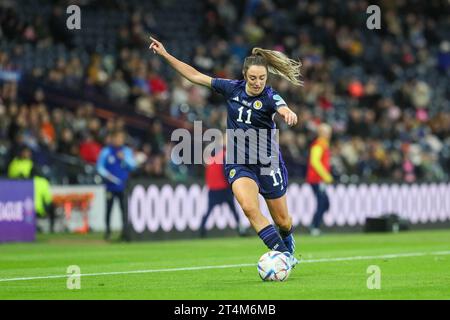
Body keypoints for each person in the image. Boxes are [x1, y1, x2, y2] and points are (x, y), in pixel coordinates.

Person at [149, 36, 301, 268]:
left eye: (262, 78)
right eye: (253, 77)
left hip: (267, 162)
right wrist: (166, 55)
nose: (257, 82)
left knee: (283, 220)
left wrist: (287, 112)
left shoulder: (270, 96)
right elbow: (195, 75)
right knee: (250, 208)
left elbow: (282, 106)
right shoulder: (232, 89)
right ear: (244, 75)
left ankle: (287, 240)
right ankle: (282, 255)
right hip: (239, 161)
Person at [200, 136, 246, 238]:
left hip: (213, 189)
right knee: (233, 210)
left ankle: (202, 229)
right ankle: (241, 229)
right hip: (223, 188)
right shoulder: (225, 156)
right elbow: (226, 172)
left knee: (209, 210)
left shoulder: (211, 160)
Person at [96, 130, 137, 240]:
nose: (119, 140)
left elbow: (133, 165)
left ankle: (125, 232)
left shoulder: (126, 151)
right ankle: (108, 231)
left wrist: (124, 158)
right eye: (117, 138)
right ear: (112, 138)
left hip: (123, 186)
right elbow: (99, 167)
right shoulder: (106, 151)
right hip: (110, 186)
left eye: (121, 138)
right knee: (109, 209)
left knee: (124, 210)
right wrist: (108, 176)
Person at [306, 123, 333, 236]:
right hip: (316, 179)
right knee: (322, 203)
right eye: (327, 132)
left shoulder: (323, 144)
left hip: (318, 179)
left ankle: (314, 224)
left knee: (324, 203)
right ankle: (314, 226)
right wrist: (325, 176)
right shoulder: (318, 145)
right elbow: (314, 161)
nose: (329, 135)